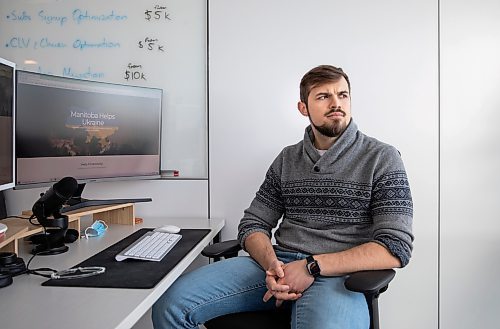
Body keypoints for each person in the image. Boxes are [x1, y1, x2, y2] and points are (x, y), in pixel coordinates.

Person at [152, 65, 413, 329]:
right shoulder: (288, 159)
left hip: (339, 273)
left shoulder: (382, 158)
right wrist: (273, 267)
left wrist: (310, 267)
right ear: (303, 108)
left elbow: (395, 247)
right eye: (323, 96)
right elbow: (253, 224)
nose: (336, 103)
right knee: (171, 305)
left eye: (342, 95)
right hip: (279, 265)